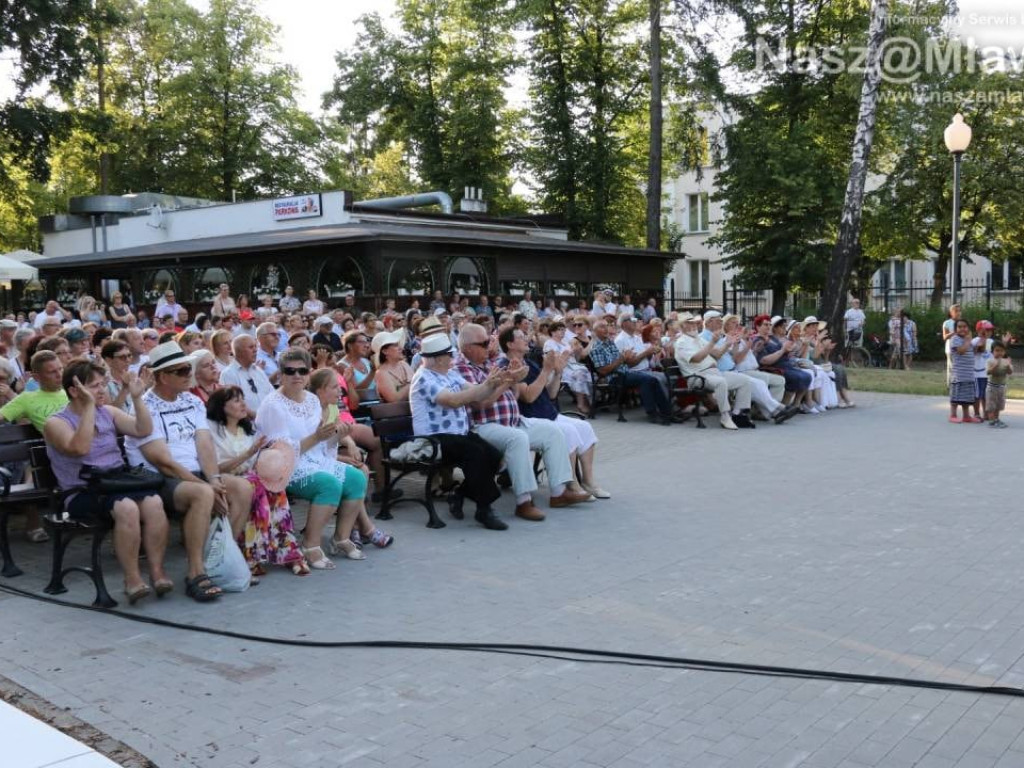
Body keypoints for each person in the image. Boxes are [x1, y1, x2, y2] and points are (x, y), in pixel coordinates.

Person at [125, 341, 254, 602]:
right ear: (162, 376)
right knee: (204, 494)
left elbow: (204, 444)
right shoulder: (146, 406)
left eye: (188, 368)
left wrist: (215, 479)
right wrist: (207, 486)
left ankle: (220, 558)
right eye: (182, 371)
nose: (190, 374)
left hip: (194, 473)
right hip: (159, 478)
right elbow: (163, 462)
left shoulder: (191, 400)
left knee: (242, 488)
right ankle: (196, 572)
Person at [43, 359, 170, 604]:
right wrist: (89, 407)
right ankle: (131, 579)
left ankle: (157, 572)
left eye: (103, 384)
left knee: (154, 502)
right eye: (94, 386)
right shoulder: (56, 423)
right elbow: (80, 448)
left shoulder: (108, 412)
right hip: (81, 491)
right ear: (74, 391)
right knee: (127, 508)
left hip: (115, 482)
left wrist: (137, 398)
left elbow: (143, 429)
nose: (101, 391)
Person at [255, 349, 381, 569]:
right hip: (286, 467)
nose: (297, 376)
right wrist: (316, 437)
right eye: (290, 371)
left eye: (302, 371)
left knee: (356, 478)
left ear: (308, 373)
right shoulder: (273, 404)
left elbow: (322, 445)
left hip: (315, 460)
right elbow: (280, 453)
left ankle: (340, 538)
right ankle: (310, 544)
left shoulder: (312, 400)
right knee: (329, 484)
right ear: (281, 374)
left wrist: (337, 437)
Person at [454, 324, 590, 521]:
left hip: (513, 420)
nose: (489, 346)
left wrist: (515, 379)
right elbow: (480, 403)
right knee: (517, 439)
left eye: (489, 342)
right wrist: (509, 381)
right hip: (484, 425)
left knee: (552, 431)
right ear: (467, 347)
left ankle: (559, 492)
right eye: (484, 343)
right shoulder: (461, 368)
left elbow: (516, 395)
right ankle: (524, 502)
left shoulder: (487, 364)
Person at [410, 333, 509, 529]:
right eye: (449, 355)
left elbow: (477, 393)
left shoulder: (449, 373)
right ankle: (484, 509)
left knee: (495, 456)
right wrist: (488, 385)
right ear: (438, 358)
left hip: (458, 434)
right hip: (433, 439)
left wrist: (498, 382)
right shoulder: (423, 378)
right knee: (475, 453)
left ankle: (460, 494)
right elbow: (453, 401)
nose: (452, 358)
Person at [205, 387, 308, 576]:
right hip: (226, 478)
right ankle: (254, 554)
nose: (243, 404)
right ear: (222, 406)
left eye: (243, 399)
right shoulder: (213, 432)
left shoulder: (249, 430)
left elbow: (257, 462)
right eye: (236, 400)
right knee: (258, 487)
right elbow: (216, 468)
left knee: (273, 485)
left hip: (251, 477)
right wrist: (249, 453)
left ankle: (286, 550)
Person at [504, 327, 610, 499]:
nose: (526, 339)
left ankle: (589, 482)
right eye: (521, 337)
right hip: (532, 417)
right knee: (569, 431)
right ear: (509, 344)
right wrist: (546, 370)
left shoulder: (529, 363)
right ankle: (572, 483)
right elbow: (529, 397)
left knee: (585, 427)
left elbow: (551, 394)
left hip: (549, 412)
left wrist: (558, 372)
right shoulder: (510, 366)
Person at [588, 320, 677, 425]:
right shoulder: (596, 348)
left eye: (607, 326)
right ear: (594, 331)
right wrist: (622, 359)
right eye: (602, 327)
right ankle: (653, 413)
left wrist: (627, 358)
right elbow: (603, 371)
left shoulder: (610, 343)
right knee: (647, 380)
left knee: (653, 379)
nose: (606, 329)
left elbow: (622, 362)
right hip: (614, 377)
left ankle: (666, 413)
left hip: (625, 372)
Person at [675, 312, 754, 430]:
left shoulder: (698, 339)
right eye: (689, 323)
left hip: (713, 373)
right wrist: (712, 342)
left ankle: (738, 414)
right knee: (720, 382)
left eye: (694, 323)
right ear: (682, 326)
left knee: (745, 380)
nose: (693, 325)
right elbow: (697, 359)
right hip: (697, 377)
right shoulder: (681, 342)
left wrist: (728, 343)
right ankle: (725, 416)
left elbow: (717, 353)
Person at [544, 321, 592, 415]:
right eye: (559, 330)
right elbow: (554, 359)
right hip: (560, 368)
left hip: (573, 366)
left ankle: (588, 400)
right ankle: (581, 403)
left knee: (588, 373)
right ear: (553, 332)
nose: (562, 331)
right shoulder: (549, 343)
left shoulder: (565, 343)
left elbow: (576, 359)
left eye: (563, 330)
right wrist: (570, 352)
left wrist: (578, 351)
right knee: (580, 374)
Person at [219, 335, 273, 416]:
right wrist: (258, 417)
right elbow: (233, 405)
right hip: (248, 424)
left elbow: (273, 395)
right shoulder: (228, 374)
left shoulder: (259, 371)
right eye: (251, 347)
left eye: (255, 346)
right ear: (239, 351)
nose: (255, 350)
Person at [948, 319, 979, 423]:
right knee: (956, 396)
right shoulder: (955, 339)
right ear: (955, 329)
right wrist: (967, 341)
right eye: (959, 327)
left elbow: (973, 352)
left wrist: (978, 343)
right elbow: (961, 351)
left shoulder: (968, 340)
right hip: (959, 374)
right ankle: (953, 414)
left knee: (966, 397)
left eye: (965, 326)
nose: (962, 329)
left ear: (968, 328)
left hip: (969, 373)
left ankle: (966, 416)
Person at [373, 330, 413, 403]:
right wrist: (412, 384)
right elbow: (393, 399)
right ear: (385, 351)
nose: (401, 348)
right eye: (395, 345)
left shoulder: (404, 364)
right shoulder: (381, 373)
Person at [986, 341, 1013, 428]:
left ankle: (996, 419)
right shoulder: (990, 361)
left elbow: (1010, 372)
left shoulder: (1006, 361)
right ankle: (991, 421)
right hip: (992, 387)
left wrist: (1008, 365)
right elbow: (988, 372)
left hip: (1001, 387)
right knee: (991, 405)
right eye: (997, 350)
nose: (999, 353)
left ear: (1004, 352)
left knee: (998, 405)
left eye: (1001, 351)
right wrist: (995, 365)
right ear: (992, 352)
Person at [942, 304, 962, 384]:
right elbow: (945, 337)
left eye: (959, 311)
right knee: (951, 366)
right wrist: (954, 333)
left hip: (961, 347)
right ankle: (950, 384)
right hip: (951, 347)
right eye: (956, 311)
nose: (958, 313)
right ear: (951, 313)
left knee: (960, 366)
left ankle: (959, 383)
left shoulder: (962, 322)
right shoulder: (947, 323)